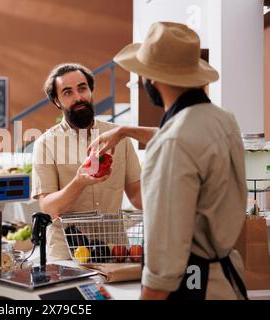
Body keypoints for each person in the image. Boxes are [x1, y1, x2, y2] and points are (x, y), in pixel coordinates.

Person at [89, 22, 248, 300]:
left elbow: (164, 253)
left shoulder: (173, 143)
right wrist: (125, 130)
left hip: (192, 286)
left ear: (151, 78)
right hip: (225, 280)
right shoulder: (222, 120)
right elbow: (184, 137)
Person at [31, 63, 143, 260]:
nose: (78, 97)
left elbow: (136, 194)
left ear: (90, 91)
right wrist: (78, 183)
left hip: (114, 251)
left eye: (82, 88)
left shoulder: (119, 136)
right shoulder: (46, 143)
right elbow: (49, 208)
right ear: (57, 101)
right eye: (68, 92)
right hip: (67, 255)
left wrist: (176, 207)